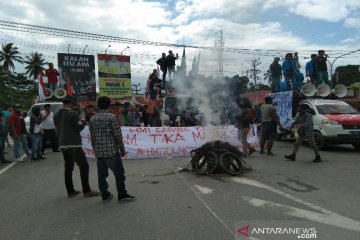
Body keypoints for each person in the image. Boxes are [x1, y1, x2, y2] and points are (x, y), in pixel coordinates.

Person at [89, 96, 136, 203]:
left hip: (99, 152)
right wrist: (122, 149)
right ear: (109, 105)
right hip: (111, 151)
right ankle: (122, 195)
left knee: (102, 175)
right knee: (119, 174)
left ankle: (105, 195)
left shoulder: (93, 118)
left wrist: (95, 149)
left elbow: (92, 136)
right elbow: (117, 135)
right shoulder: (112, 117)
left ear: (98, 105)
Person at [54, 96, 100, 198]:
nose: (73, 106)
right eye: (73, 104)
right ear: (70, 103)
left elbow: (57, 129)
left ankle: (70, 190)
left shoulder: (56, 114)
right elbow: (79, 127)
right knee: (84, 166)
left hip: (62, 143)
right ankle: (87, 190)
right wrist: (83, 120)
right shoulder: (72, 113)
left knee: (68, 167)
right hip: (73, 143)